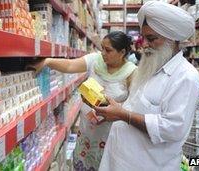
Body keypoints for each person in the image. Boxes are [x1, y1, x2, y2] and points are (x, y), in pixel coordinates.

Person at [95, 1, 199, 170]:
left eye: (151, 39)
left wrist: (124, 115)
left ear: (172, 39)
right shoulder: (150, 67)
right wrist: (117, 110)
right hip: (119, 160)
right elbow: (138, 106)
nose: (144, 44)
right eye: (143, 37)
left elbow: (172, 129)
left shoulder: (186, 77)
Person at [29, 31, 137, 170]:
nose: (103, 53)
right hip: (87, 131)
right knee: (85, 163)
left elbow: (134, 106)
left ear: (122, 52)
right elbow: (69, 66)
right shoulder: (95, 60)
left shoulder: (132, 72)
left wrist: (116, 110)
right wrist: (48, 61)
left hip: (110, 133)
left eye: (108, 50)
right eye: (102, 48)